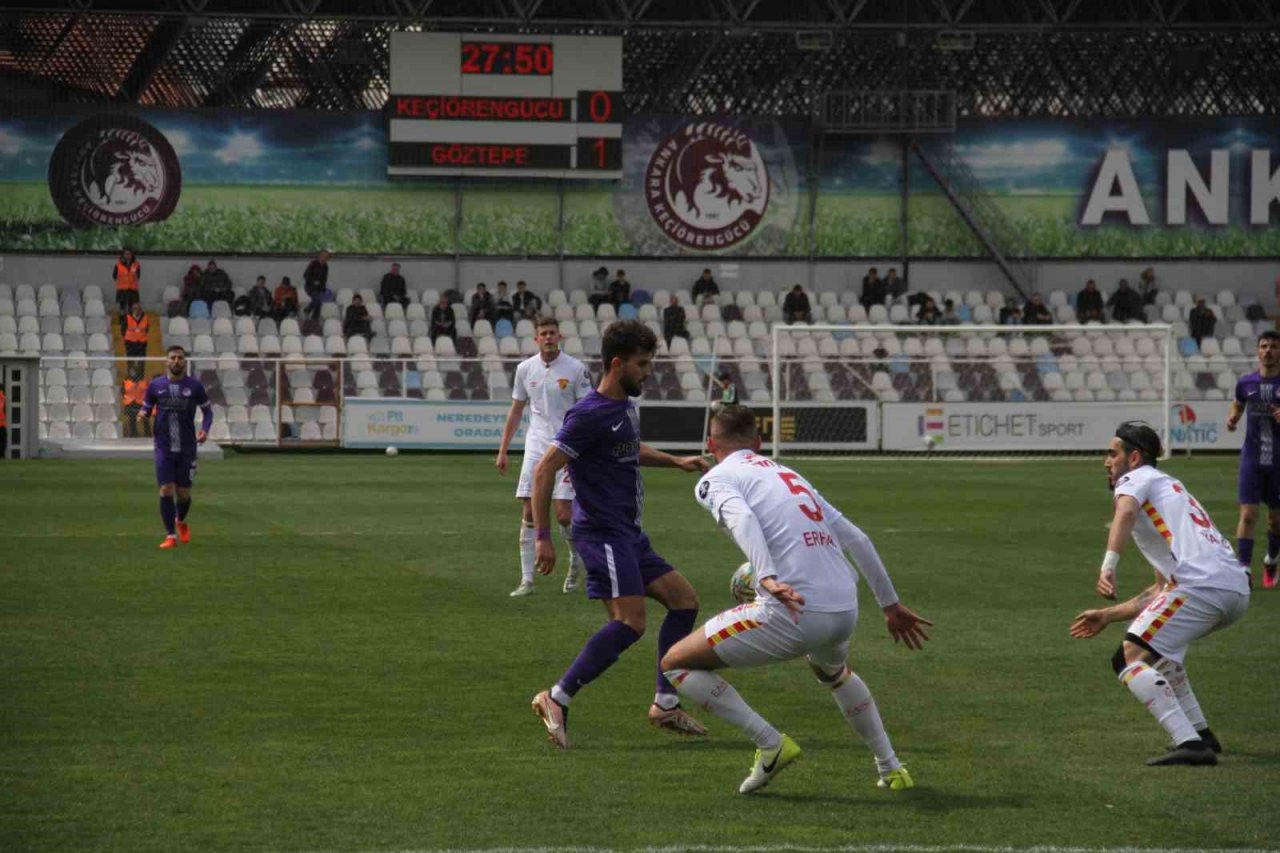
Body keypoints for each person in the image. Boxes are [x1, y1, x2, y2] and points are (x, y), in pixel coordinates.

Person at [660, 405, 932, 793]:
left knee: (675, 664)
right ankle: (891, 768)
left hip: (794, 610)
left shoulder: (716, 478)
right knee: (834, 673)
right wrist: (890, 605)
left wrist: (766, 576)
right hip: (845, 606)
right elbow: (858, 539)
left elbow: (742, 518)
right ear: (758, 442)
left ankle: (770, 744)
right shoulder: (789, 474)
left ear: (709, 443)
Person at [528, 320, 711, 748]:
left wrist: (675, 461)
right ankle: (557, 697)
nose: (648, 372)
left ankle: (665, 703)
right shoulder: (588, 414)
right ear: (616, 364)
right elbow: (544, 469)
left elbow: (628, 447)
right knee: (630, 623)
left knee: (684, 601)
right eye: (642, 364)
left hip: (628, 534)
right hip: (602, 535)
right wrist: (542, 536)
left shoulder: (624, 407)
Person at [1069, 422, 1250, 766]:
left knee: (1128, 658)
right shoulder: (1170, 492)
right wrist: (1107, 615)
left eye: (1113, 454)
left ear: (1134, 457)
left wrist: (1108, 566)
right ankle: (1201, 734)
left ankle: (1190, 744)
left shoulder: (1138, 478)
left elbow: (1124, 512)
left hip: (1201, 585)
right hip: (1233, 589)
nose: (1106, 462)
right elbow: (1160, 589)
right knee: (1160, 653)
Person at [496, 316, 593, 597]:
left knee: (564, 514)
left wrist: (583, 447)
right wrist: (503, 449)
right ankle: (527, 580)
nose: (548, 337)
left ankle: (576, 559)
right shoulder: (525, 369)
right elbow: (516, 410)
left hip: (567, 446)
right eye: (543, 334)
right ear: (536, 339)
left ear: (559, 336)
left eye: (552, 333)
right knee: (528, 509)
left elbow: (586, 410)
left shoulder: (575, 369)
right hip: (537, 445)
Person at [138, 346, 213, 549]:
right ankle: (170, 536)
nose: (177, 361)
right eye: (173, 357)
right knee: (166, 489)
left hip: (187, 446)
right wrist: (143, 414)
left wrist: (205, 430)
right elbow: (146, 406)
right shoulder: (155, 385)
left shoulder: (195, 386)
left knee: (184, 494)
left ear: (185, 362)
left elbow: (208, 413)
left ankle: (180, 520)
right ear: (166, 361)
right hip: (163, 446)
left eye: (180, 358)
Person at [1226, 330, 1280, 588]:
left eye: (1273, 346)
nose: (1268, 350)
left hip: (1278, 463)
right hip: (1251, 460)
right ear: (1258, 351)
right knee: (1247, 515)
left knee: (1275, 522)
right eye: (1264, 346)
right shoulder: (1246, 383)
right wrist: (1233, 417)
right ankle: (1243, 570)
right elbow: (1238, 403)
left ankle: (1270, 560)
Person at [122, 300, 150, 380]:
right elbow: (123, 329)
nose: (136, 310)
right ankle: (131, 377)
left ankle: (140, 378)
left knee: (141, 362)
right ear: (132, 309)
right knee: (131, 361)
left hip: (142, 343)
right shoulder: (127, 317)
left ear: (141, 309)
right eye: (134, 308)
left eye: (138, 308)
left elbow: (147, 329)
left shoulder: (145, 317)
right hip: (130, 343)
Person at [303, 250, 331, 320]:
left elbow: (324, 279)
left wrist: (323, 289)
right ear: (320, 256)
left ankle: (315, 320)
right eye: (323, 256)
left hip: (319, 288)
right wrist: (313, 282)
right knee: (317, 300)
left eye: (326, 257)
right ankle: (307, 309)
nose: (324, 258)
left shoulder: (325, 267)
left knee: (318, 305)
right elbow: (305, 275)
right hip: (310, 286)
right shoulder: (313, 263)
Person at [112, 248, 141, 314]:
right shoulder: (118, 265)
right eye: (126, 254)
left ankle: (130, 321)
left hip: (132, 289)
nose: (128, 255)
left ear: (132, 255)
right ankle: (123, 321)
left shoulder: (136, 264)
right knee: (122, 307)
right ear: (123, 255)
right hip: (122, 289)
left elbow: (138, 276)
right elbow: (114, 276)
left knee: (132, 307)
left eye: (129, 254)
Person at [0, 385, 7, 459]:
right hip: (1, 424)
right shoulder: (2, 397)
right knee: (2, 441)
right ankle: (1, 455)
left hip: (1, 423)